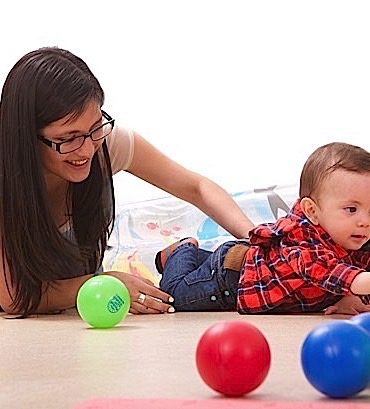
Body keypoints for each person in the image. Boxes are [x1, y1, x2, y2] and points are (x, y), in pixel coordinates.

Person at [0, 47, 254, 317]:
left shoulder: (102, 142)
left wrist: (259, 239)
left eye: (95, 127)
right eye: (67, 139)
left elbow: (197, 188)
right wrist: (104, 282)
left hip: (87, 311)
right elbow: (13, 297)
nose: (86, 150)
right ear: (25, 135)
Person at [158, 142, 370, 315]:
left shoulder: (354, 236)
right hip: (229, 281)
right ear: (312, 211)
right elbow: (337, 275)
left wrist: (347, 298)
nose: (365, 221)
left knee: (201, 269)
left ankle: (197, 257)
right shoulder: (300, 243)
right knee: (172, 296)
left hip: (251, 259)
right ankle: (181, 250)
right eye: (351, 209)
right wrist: (353, 288)